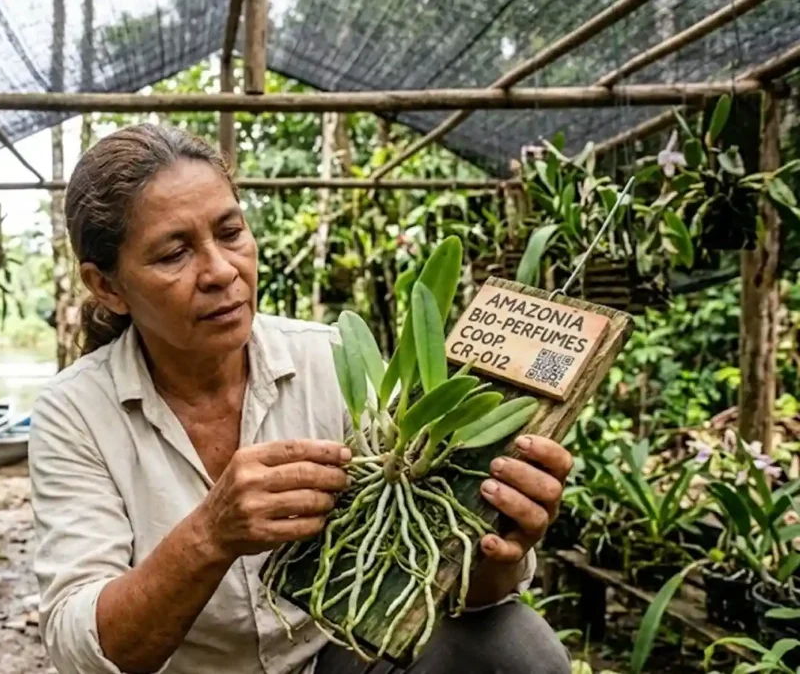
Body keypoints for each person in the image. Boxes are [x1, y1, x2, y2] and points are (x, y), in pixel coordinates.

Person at [29, 123, 573, 674]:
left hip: (335, 660)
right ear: (107, 287)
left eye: (231, 232)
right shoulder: (75, 412)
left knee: (514, 647)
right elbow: (81, 647)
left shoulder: (333, 362)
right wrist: (209, 535)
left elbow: (451, 590)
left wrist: (496, 539)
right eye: (174, 253)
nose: (221, 271)